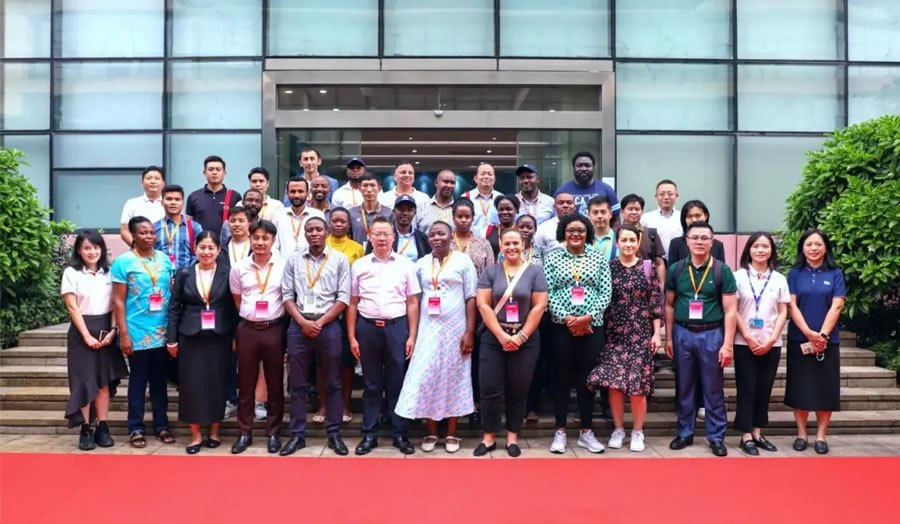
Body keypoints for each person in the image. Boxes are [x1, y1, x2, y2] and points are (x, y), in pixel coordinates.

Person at [396, 222, 477, 453]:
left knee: (455, 376)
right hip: (428, 329)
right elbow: (414, 299)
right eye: (432, 234)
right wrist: (413, 333)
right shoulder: (421, 264)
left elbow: (471, 297)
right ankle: (431, 431)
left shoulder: (463, 261)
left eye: (441, 233)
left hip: (456, 329)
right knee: (428, 376)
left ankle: (451, 433)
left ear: (450, 236)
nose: (436, 237)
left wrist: (469, 332)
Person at [348, 218, 421, 455]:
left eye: (386, 234)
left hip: (397, 328)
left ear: (393, 237)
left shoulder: (405, 265)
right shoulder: (359, 265)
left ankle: (399, 433)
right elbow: (352, 303)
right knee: (371, 384)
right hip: (367, 328)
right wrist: (352, 337)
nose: (382, 238)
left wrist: (412, 336)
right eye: (377, 234)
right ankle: (370, 434)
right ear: (369, 236)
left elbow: (412, 302)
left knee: (396, 382)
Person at [664, 221, 737, 457]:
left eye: (704, 238)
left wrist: (727, 344)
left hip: (711, 334)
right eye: (694, 237)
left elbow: (730, 310)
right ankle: (685, 432)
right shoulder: (676, 269)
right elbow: (669, 305)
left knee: (713, 388)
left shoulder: (722, 270)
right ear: (686, 241)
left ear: (712, 242)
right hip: (683, 333)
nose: (699, 242)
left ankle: (716, 437)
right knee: (684, 385)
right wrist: (669, 337)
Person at [588, 225, 663, 452]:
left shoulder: (647, 268)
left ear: (638, 243)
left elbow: (655, 303)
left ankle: (638, 431)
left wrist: (656, 334)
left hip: (641, 335)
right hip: (614, 335)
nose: (628, 244)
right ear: (617, 242)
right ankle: (618, 429)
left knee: (638, 387)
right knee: (615, 385)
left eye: (632, 240)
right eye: (624, 240)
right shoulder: (608, 268)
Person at [281, 217, 352, 456]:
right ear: (305, 234)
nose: (314, 233)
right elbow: (287, 295)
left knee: (333, 381)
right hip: (299, 326)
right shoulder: (293, 259)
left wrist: (319, 323)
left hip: (328, 326)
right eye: (309, 230)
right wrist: (303, 322)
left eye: (318, 229)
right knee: (297, 383)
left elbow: (344, 298)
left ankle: (334, 434)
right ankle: (297, 435)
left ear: (327, 232)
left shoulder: (339, 260)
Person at [474, 228, 548, 457]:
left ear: (523, 245)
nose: (512, 247)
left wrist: (521, 336)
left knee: (518, 389)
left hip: (525, 339)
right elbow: (483, 304)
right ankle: (489, 436)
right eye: (507, 243)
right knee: (489, 388)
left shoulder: (535, 272)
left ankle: (512, 436)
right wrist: (502, 336)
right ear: (501, 246)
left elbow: (539, 306)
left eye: (516, 243)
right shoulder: (491, 271)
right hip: (493, 337)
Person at [542, 214, 612, 454]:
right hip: (561, 327)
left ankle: (586, 431)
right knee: (561, 378)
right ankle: (560, 431)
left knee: (587, 380)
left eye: (581, 230)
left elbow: (605, 291)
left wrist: (587, 317)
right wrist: (568, 319)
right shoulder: (553, 257)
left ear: (587, 233)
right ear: (563, 232)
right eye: (571, 230)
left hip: (592, 326)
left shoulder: (598, 257)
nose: (575, 234)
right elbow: (548, 291)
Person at [166, 232, 238, 454]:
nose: (206, 252)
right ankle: (195, 435)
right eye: (202, 247)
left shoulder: (228, 273)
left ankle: (214, 431)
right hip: (190, 337)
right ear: (195, 249)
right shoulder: (184, 274)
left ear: (218, 250)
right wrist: (171, 340)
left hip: (219, 337)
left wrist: (235, 336)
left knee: (217, 383)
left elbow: (234, 309)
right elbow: (174, 308)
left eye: (211, 248)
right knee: (192, 386)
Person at [112, 217, 175, 448]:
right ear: (133, 236)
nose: (148, 236)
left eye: (151, 232)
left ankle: (161, 425)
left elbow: (171, 291)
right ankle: (136, 427)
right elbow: (118, 301)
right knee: (138, 380)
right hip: (137, 331)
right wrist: (123, 333)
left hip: (162, 329)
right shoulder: (123, 262)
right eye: (143, 232)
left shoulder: (164, 259)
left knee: (159, 381)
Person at [61, 231, 128, 450]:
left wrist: (113, 330)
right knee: (84, 381)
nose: (92, 252)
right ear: (79, 250)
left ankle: (102, 426)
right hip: (81, 332)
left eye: (96, 247)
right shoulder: (72, 273)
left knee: (103, 383)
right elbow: (72, 307)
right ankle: (85, 429)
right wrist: (86, 336)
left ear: (102, 249)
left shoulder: (110, 273)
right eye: (87, 248)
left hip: (106, 330)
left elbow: (116, 303)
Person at [229, 220, 287, 455]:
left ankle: (273, 433)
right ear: (250, 239)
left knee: (275, 383)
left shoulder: (283, 265)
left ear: (273, 241)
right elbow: (237, 299)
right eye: (256, 238)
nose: (260, 242)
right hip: (248, 329)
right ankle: (245, 432)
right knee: (245, 383)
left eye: (265, 238)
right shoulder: (239, 268)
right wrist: (250, 317)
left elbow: (287, 298)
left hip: (274, 328)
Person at [786, 229, 845, 455]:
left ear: (825, 247)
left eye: (818, 244)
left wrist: (822, 336)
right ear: (802, 248)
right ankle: (801, 433)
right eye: (809, 244)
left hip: (828, 342)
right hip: (799, 339)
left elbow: (837, 305)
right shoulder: (794, 274)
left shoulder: (835, 273)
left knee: (825, 389)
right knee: (800, 388)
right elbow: (791, 306)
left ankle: (821, 435)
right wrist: (809, 333)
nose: (813, 248)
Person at [733, 232, 790, 455]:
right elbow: (733, 310)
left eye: (765, 246)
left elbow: (783, 311)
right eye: (756, 246)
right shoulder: (738, 277)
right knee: (746, 388)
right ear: (749, 250)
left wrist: (773, 338)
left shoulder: (779, 279)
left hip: (771, 342)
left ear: (771, 251)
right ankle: (745, 435)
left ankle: (757, 432)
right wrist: (747, 336)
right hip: (743, 342)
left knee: (764, 388)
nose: (760, 250)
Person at [325, 207, 365, 423]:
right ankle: (324, 406)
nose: (339, 224)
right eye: (335, 221)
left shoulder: (357, 248)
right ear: (329, 223)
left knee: (346, 361)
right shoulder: (322, 244)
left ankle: (345, 405)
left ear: (349, 225)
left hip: (349, 308)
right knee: (324, 360)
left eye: (343, 221)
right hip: (324, 308)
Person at [185, 155, 242, 237]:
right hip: (201, 243)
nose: (214, 172)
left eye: (218, 169)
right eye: (210, 169)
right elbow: (189, 225)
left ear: (224, 173)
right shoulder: (193, 196)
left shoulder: (235, 196)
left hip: (226, 243)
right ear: (204, 173)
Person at [619, 194, 667, 287]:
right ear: (622, 211)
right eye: (630, 209)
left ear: (642, 211)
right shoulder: (615, 233)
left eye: (637, 209)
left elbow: (659, 263)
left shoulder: (651, 234)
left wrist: (661, 285)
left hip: (647, 285)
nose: (634, 212)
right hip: (620, 284)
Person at [154, 184, 203, 271]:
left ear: (183, 203)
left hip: (187, 276)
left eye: (177, 199)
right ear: (162, 202)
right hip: (161, 275)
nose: (173, 202)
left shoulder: (195, 227)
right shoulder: (154, 228)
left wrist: (188, 273)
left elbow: (199, 254)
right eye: (169, 199)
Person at [554, 152, 619, 217]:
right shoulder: (562, 191)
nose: (583, 169)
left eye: (587, 165)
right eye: (579, 165)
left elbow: (616, 217)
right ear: (573, 168)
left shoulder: (606, 189)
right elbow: (555, 216)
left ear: (593, 167)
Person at [370, 195, 431, 263]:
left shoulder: (422, 238)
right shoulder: (383, 235)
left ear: (415, 213)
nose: (405, 213)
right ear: (393, 211)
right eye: (401, 210)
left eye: (409, 210)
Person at [276, 177, 326, 255]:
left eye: (300, 191)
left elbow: (322, 243)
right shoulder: (279, 214)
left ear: (307, 193)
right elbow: (274, 245)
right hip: (283, 262)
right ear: (287, 193)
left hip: (309, 261)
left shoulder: (317, 214)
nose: (296, 195)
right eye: (293, 191)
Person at [666, 200, 726, 265]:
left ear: (706, 216)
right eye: (689, 216)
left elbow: (721, 269)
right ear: (684, 219)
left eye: (698, 215)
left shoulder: (718, 245)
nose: (694, 220)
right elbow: (672, 270)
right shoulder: (676, 244)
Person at [120, 166, 165, 246]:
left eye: (157, 178)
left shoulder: (169, 204)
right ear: (142, 183)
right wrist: (138, 248)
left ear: (163, 184)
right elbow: (124, 231)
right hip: (139, 250)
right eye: (148, 178)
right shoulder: (131, 203)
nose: (153, 181)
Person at [450, 199, 494, 276]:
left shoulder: (483, 244)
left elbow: (491, 272)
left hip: (479, 283)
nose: (463, 220)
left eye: (467, 217)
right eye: (460, 217)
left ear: (472, 218)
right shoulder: (446, 242)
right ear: (453, 218)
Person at [641, 179, 681, 260]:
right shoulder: (646, 218)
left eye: (670, 194)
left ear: (676, 196)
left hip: (678, 261)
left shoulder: (682, 217)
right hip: (654, 261)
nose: (666, 197)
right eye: (662, 194)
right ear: (656, 196)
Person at [349, 173, 393, 247]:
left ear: (379, 188)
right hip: (357, 252)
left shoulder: (389, 213)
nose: (369, 190)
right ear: (359, 188)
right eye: (365, 185)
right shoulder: (351, 213)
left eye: (372, 185)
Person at [462, 163, 502, 237]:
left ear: (494, 179)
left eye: (490, 174)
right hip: (471, 241)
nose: (486, 177)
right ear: (475, 178)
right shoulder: (466, 197)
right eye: (483, 174)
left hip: (495, 241)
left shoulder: (501, 198)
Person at [533, 192, 577, 256]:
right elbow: (537, 254)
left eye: (569, 203)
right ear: (554, 207)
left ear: (575, 207)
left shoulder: (583, 227)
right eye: (561, 203)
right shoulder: (543, 229)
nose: (565, 206)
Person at [417, 169, 457, 234]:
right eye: (446, 181)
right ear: (436, 183)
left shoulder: (459, 209)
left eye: (452, 183)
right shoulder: (421, 208)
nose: (449, 185)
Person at [485, 194, 520, 259]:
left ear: (516, 210)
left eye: (508, 209)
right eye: (501, 209)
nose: (504, 212)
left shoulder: (521, 231)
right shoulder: (489, 230)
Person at [586, 195, 616, 261]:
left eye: (603, 212)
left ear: (610, 214)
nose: (599, 216)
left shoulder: (620, 239)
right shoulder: (583, 240)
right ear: (588, 215)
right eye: (595, 213)